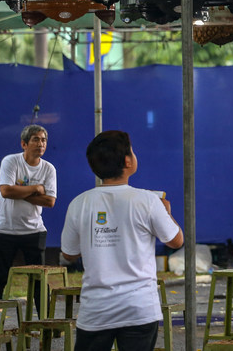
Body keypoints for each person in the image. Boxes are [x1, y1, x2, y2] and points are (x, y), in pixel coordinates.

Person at [61, 130, 183, 351]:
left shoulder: (79, 204)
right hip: (140, 309)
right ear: (128, 161)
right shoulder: (148, 201)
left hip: (96, 310)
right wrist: (167, 212)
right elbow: (176, 241)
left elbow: (69, 254)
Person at [0, 125, 57, 316]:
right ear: (24, 144)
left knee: (39, 281)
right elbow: (6, 191)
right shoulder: (11, 161)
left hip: (34, 231)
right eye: (35, 139)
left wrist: (21, 192)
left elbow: (49, 201)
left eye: (43, 140)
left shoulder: (49, 169)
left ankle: (46, 321)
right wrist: (36, 188)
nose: (40, 143)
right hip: (4, 229)